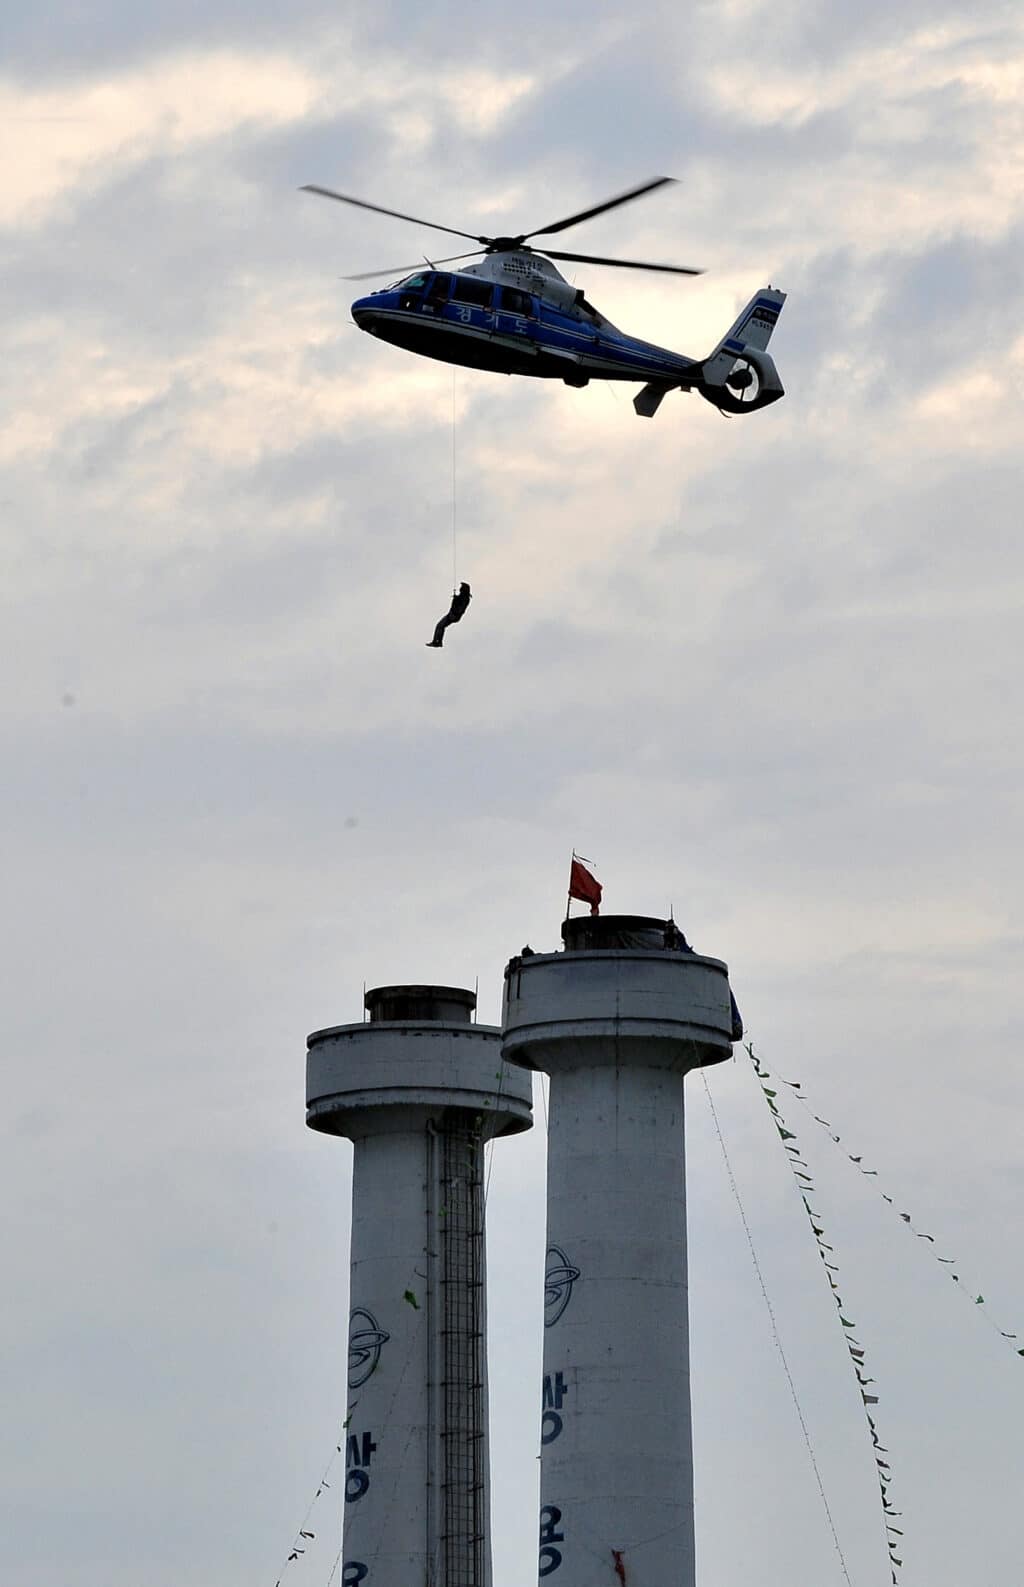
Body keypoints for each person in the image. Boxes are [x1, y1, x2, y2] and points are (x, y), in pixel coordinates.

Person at [426, 582, 471, 647]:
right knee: (440, 626)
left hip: (453, 616)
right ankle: (438, 642)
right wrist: (456, 599)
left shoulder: (465, 598)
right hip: (452, 615)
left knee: (440, 626)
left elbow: (460, 609)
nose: (460, 589)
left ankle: (436, 642)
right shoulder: (463, 597)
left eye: (461, 588)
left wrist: (455, 602)